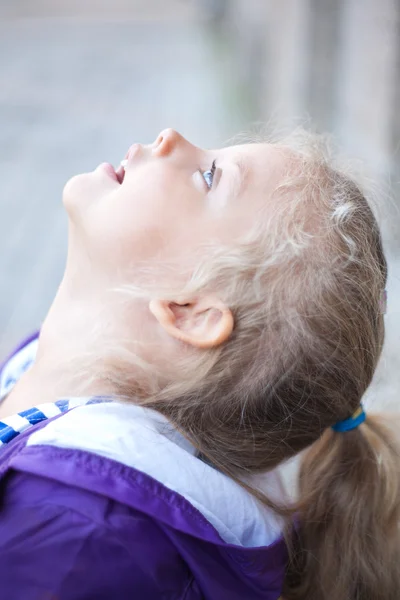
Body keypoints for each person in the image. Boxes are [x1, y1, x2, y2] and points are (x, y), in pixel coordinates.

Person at [0, 128, 397, 600]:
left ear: (190, 312)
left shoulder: (74, 544)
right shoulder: (36, 372)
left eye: (209, 177)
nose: (171, 137)